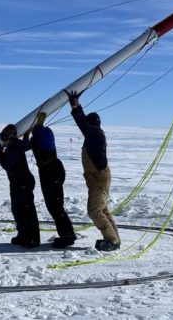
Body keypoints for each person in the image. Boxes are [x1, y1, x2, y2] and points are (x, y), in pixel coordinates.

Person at [66, 90, 121, 251]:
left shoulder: (94, 134)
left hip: (99, 179)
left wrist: (76, 106)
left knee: (95, 211)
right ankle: (114, 240)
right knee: (102, 210)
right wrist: (75, 105)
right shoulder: (94, 134)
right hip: (99, 178)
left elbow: (82, 123)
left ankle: (111, 240)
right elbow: (84, 124)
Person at [23, 112, 76, 248]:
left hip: (50, 170)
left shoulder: (43, 134)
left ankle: (67, 236)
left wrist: (31, 131)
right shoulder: (42, 135)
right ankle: (67, 234)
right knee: (54, 204)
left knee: (55, 205)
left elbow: (29, 144)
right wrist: (29, 134)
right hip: (51, 170)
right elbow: (28, 145)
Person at [0, 124, 40, 248]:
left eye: (4, 136)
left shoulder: (13, 147)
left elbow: (7, 165)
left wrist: (0, 156)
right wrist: (26, 136)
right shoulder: (16, 144)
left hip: (22, 182)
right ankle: (23, 235)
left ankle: (32, 238)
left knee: (26, 210)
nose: (3, 138)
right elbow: (26, 145)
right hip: (18, 182)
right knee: (18, 210)